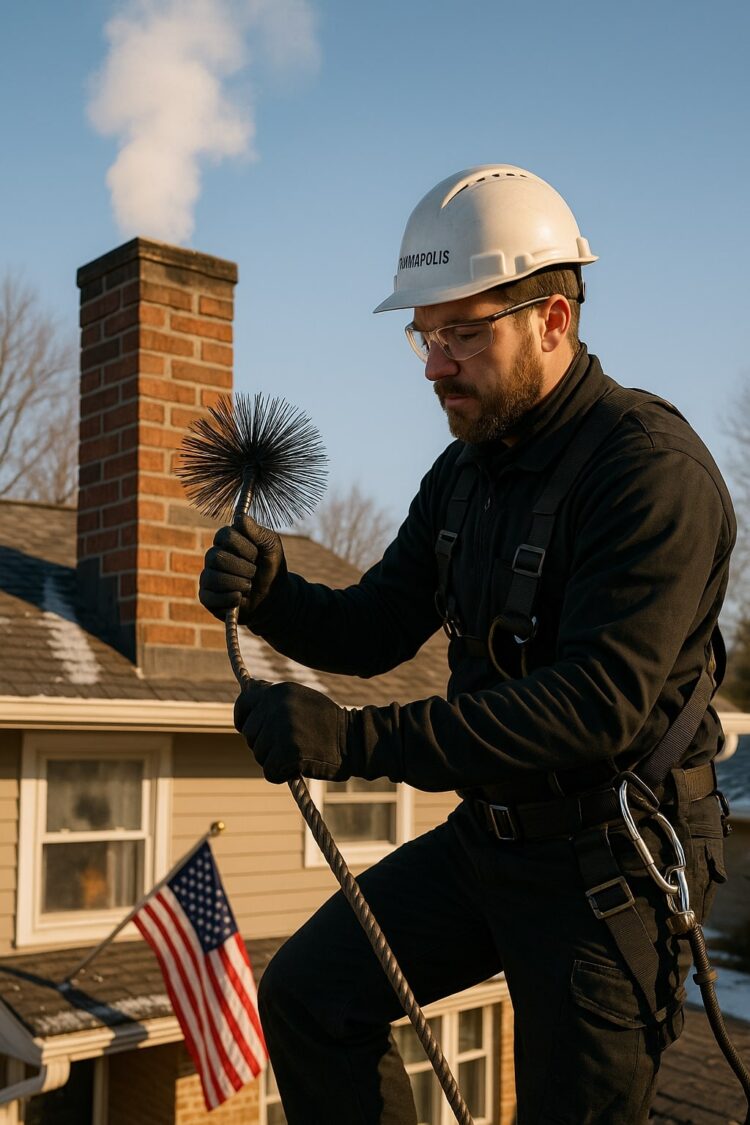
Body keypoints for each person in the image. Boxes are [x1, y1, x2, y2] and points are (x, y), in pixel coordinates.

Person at [199, 165, 736, 1125]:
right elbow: (374, 626)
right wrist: (274, 594)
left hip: (609, 863)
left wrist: (356, 743)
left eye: (462, 333)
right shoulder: (464, 472)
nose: (434, 365)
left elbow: (594, 704)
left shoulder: (650, 473)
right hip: (491, 839)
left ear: (553, 321)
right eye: (425, 334)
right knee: (310, 997)